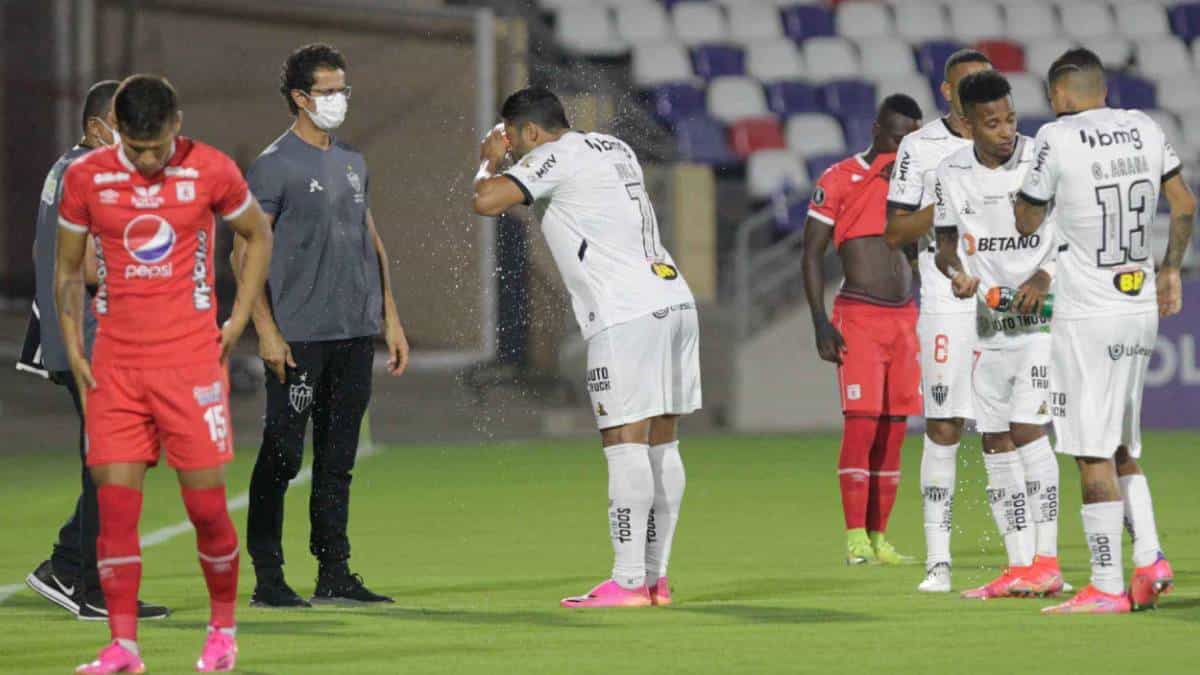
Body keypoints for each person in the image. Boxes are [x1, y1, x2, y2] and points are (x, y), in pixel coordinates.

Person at [56, 74, 273, 672]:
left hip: (189, 364)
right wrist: (75, 344)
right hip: (116, 368)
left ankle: (222, 630)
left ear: (176, 124)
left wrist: (239, 318)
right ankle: (123, 646)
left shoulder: (212, 170)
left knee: (205, 510)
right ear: (117, 132)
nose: (147, 160)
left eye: (156, 148)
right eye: (135, 147)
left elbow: (257, 233)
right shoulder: (86, 177)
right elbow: (68, 269)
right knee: (116, 512)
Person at [472, 87, 700, 608]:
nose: (518, 150)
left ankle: (627, 582)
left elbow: (485, 202)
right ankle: (654, 578)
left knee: (625, 442)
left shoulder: (552, 155)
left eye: (517, 140)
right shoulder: (612, 146)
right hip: (672, 297)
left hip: (625, 313)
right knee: (663, 442)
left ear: (530, 132)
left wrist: (490, 163)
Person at [1014, 48, 1194, 614]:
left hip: (1087, 313)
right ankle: (1152, 560)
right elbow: (1184, 204)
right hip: (1138, 304)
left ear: (1060, 96)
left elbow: (1027, 219)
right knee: (1120, 445)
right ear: (1103, 90)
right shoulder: (1144, 126)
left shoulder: (1055, 137)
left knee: (1089, 450)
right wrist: (1170, 268)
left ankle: (1106, 584)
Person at [236, 43, 409, 608]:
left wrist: (391, 316)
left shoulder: (354, 160)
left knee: (337, 462)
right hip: (298, 336)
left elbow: (370, 238)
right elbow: (243, 255)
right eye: (329, 91)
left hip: (354, 333)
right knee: (282, 456)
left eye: (343, 90)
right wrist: (264, 329)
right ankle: (268, 577)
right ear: (300, 97)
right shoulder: (273, 165)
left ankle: (334, 572)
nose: (339, 100)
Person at [20, 80, 170, 622]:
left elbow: (46, 249)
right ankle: (75, 576)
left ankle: (73, 571)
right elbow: (85, 264)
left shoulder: (65, 171)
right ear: (96, 126)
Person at [931, 71, 1064, 599]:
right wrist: (955, 271)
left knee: (1028, 427)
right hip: (989, 319)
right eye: (992, 122)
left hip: (1044, 314)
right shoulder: (949, 172)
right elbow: (944, 244)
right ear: (967, 124)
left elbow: (1075, 232)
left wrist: (1044, 274)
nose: (1006, 130)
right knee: (993, 438)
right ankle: (1018, 565)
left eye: (1010, 118)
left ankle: (1048, 559)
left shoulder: (1041, 158)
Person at [882, 49, 994, 592]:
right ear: (948, 92)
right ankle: (938, 559)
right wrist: (952, 204)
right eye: (967, 85)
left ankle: (1029, 559)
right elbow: (896, 232)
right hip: (947, 302)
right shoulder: (920, 147)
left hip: (1001, 303)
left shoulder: (1012, 146)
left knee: (1012, 429)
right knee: (945, 426)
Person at [803, 95, 923, 566]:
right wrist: (818, 321)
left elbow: (915, 251)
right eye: (896, 137)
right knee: (862, 426)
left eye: (910, 139)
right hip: (860, 318)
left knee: (894, 431)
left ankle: (879, 537)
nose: (902, 147)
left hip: (905, 319)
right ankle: (854, 535)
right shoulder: (839, 179)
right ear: (876, 130)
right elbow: (811, 252)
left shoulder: (914, 186)